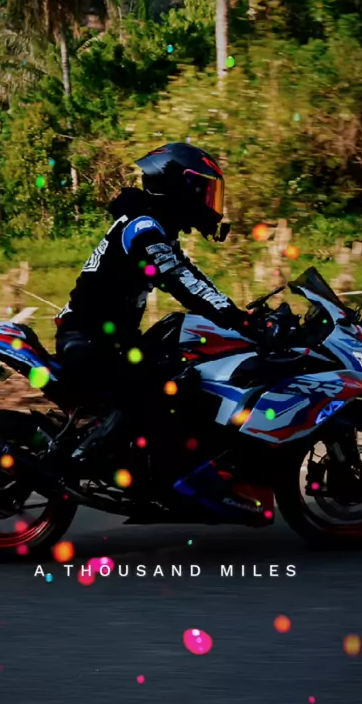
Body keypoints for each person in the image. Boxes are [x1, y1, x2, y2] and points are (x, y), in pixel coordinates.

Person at [55, 142, 258, 471]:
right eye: (204, 190)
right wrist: (240, 321)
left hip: (108, 338)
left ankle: (153, 459)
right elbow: (180, 283)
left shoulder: (154, 226)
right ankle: (87, 458)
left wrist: (240, 314)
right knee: (160, 385)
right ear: (178, 186)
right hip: (89, 340)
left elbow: (191, 275)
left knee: (183, 363)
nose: (208, 201)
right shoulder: (143, 228)